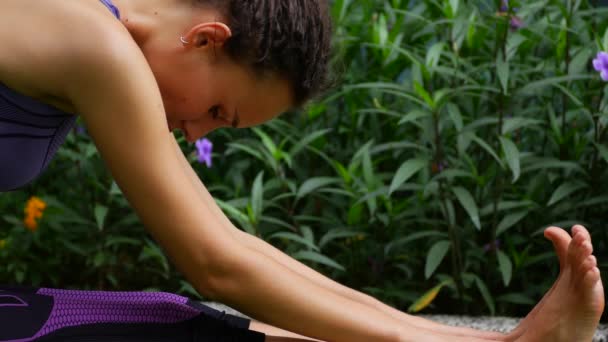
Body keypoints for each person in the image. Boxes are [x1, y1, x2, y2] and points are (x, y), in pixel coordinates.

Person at [0, 0, 603, 341]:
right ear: (207, 39)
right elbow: (218, 267)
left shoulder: (96, 32)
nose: (195, 133)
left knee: (183, 320)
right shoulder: (98, 48)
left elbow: (233, 247)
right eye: (217, 111)